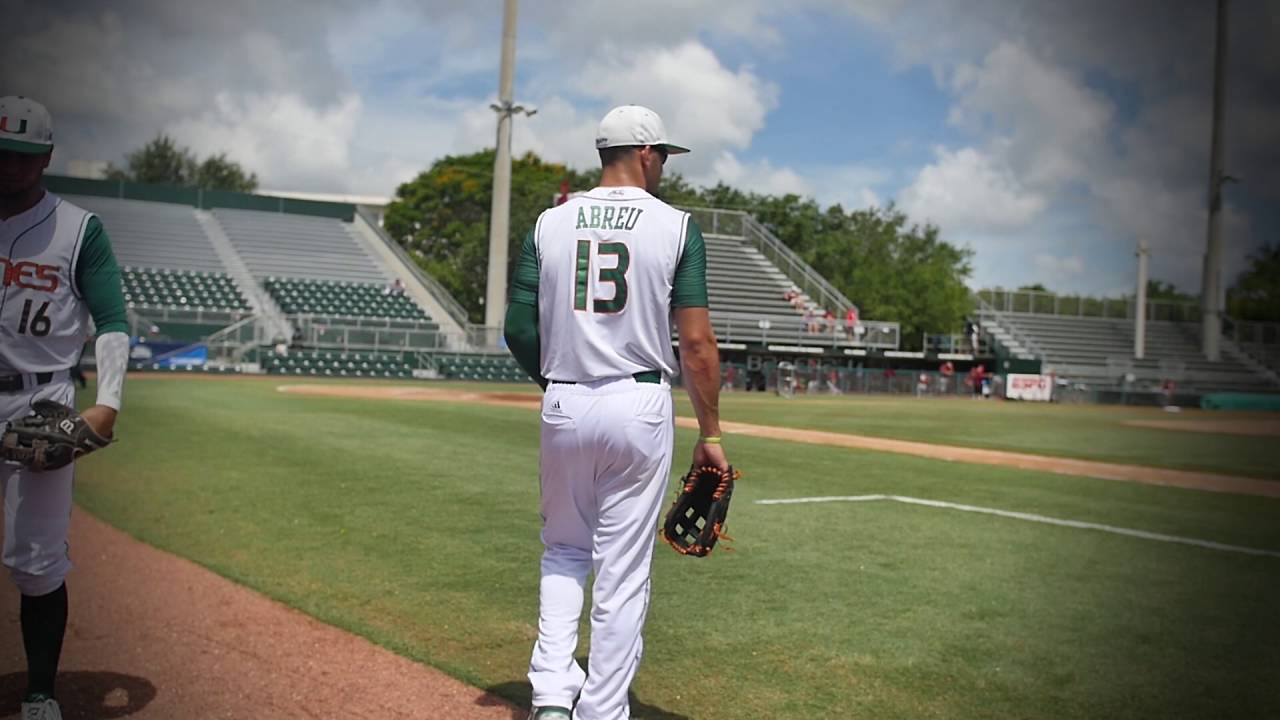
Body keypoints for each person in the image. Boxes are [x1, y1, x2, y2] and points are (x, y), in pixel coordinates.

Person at [504, 104, 727, 720]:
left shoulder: (549, 223)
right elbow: (698, 344)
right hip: (639, 401)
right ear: (648, 153)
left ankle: (550, 697)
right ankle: (601, 712)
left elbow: (519, 327)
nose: (662, 168)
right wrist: (710, 432)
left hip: (565, 398)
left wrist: (554, 383)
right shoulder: (677, 226)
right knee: (622, 571)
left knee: (565, 550)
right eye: (663, 157)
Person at [0, 96, 129, 720]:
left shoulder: (79, 230)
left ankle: (41, 693)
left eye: (25, 158)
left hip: (42, 399)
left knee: (39, 557)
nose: (12, 168)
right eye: (3, 156)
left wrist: (107, 403)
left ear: (46, 157)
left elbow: (111, 322)